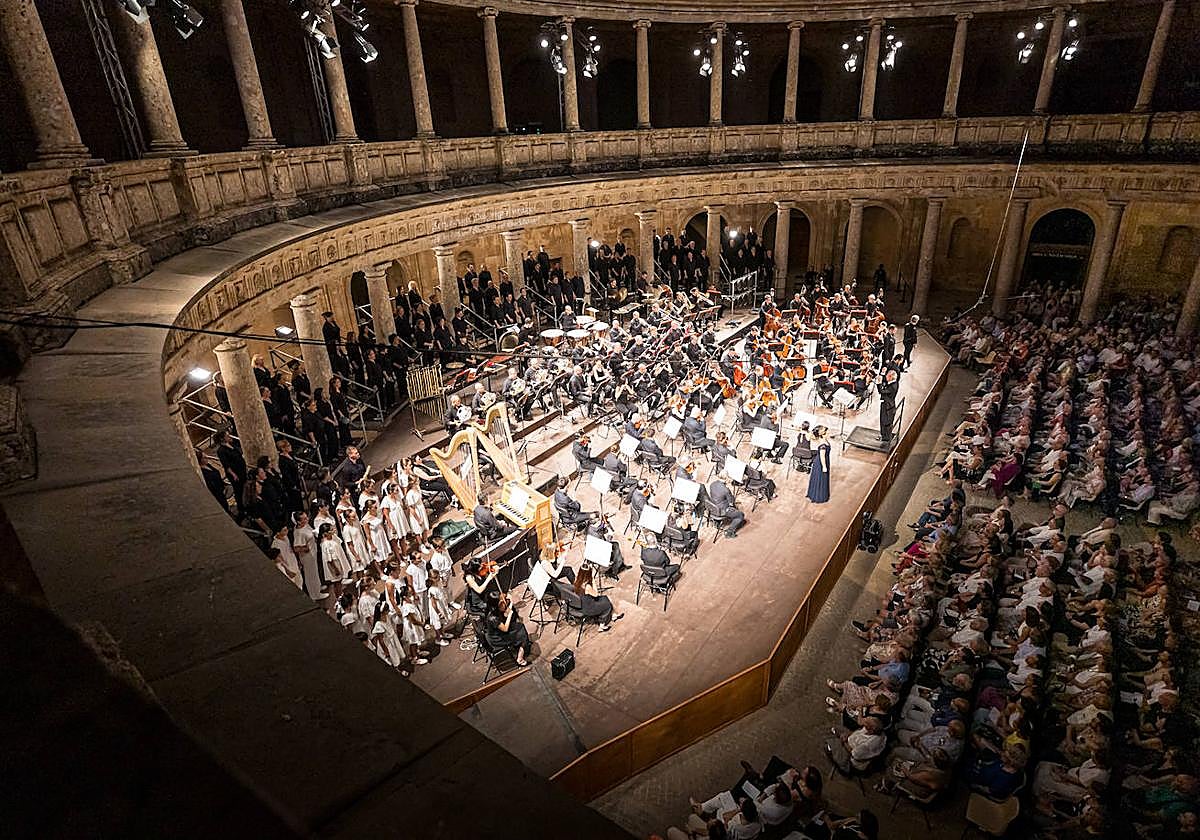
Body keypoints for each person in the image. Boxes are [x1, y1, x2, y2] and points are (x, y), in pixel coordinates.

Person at [573, 567, 623, 631]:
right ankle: (602, 625)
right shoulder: (587, 586)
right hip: (589, 608)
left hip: (582, 606)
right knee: (607, 605)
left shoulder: (576, 582)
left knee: (606, 598)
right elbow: (596, 594)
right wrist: (593, 582)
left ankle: (613, 615)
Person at [708, 473, 746, 538]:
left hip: (713, 509)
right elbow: (731, 503)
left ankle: (717, 522)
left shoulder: (712, 484)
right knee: (740, 515)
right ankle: (729, 532)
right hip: (722, 511)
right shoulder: (725, 490)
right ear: (726, 479)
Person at [807, 426, 831, 504]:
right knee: (821, 478)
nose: (829, 434)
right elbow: (822, 456)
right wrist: (824, 467)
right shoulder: (823, 445)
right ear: (823, 434)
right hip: (820, 463)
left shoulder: (824, 440)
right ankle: (819, 496)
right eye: (827, 433)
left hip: (823, 461)